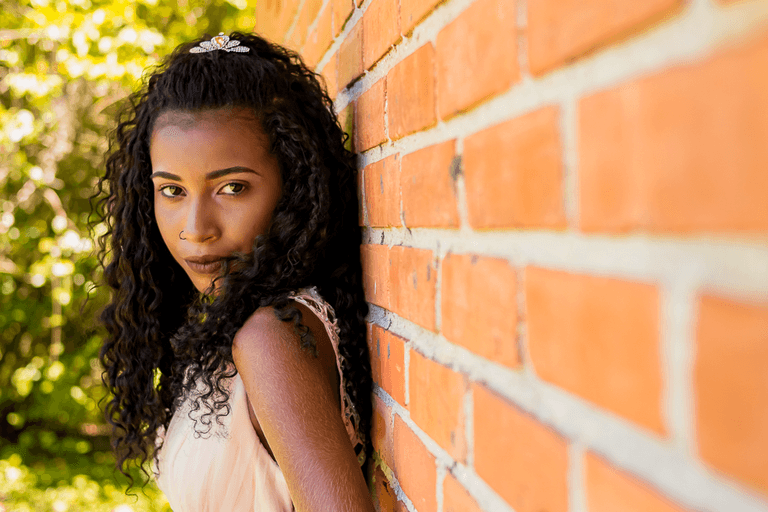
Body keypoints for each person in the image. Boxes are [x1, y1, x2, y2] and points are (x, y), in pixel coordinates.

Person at [94, 31, 375, 512]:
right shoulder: (238, 325)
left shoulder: (271, 336)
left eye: (233, 188)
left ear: (295, 186)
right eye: (173, 191)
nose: (196, 230)